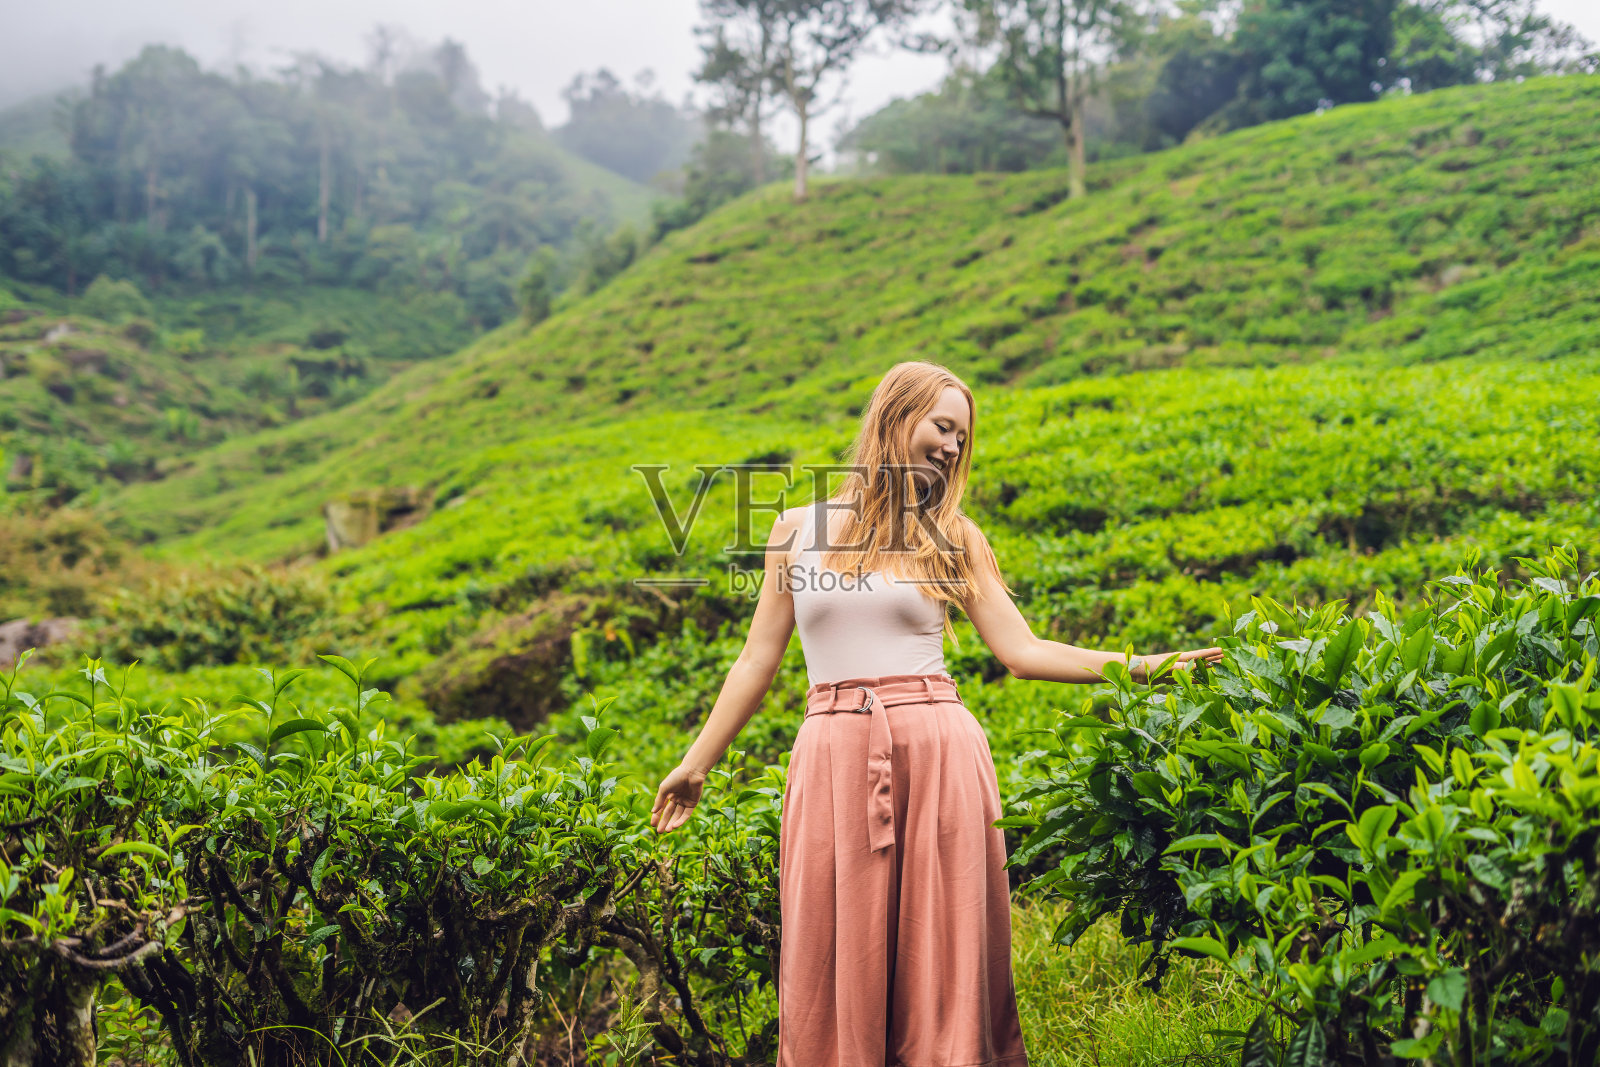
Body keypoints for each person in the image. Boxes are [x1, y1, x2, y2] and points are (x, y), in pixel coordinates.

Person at [649, 361, 1224, 1067]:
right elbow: (755, 660)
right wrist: (695, 763)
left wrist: (1146, 666)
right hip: (832, 751)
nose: (953, 447)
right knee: (835, 943)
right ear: (896, 417)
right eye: (943, 427)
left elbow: (1023, 649)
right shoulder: (796, 530)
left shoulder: (953, 535)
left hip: (938, 747)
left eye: (962, 436)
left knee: (943, 950)